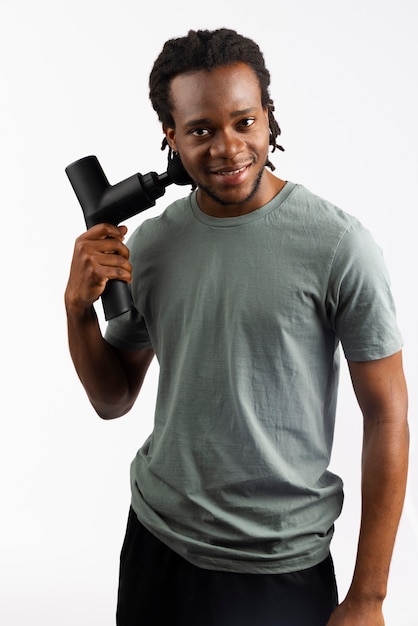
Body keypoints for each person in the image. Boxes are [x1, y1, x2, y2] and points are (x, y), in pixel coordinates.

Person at [65, 28, 409, 626]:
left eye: (244, 122)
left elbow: (388, 416)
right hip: (158, 543)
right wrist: (76, 309)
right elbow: (113, 397)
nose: (229, 147)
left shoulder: (338, 245)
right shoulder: (154, 244)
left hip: (280, 563)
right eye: (201, 130)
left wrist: (368, 597)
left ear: (270, 119)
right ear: (170, 137)